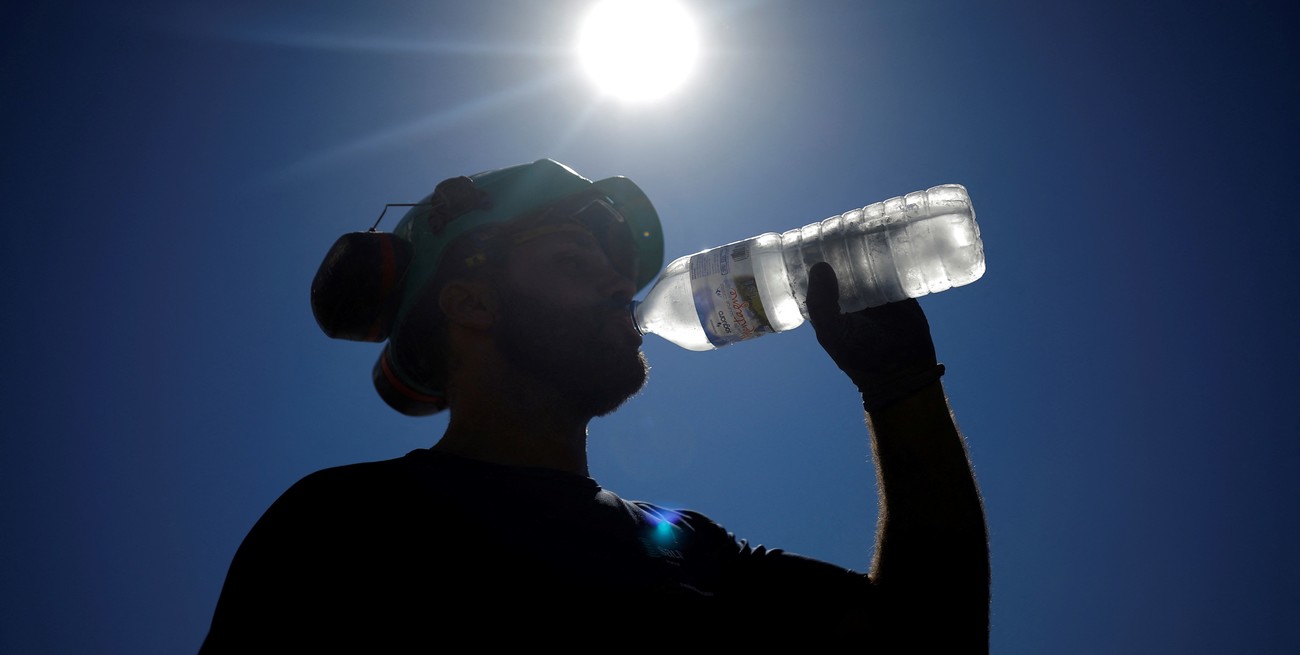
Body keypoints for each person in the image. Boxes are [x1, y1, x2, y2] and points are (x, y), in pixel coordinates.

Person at [199, 159, 989, 651]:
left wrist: (903, 391)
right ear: (471, 302)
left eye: (616, 267)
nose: (621, 285)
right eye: (576, 260)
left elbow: (929, 643)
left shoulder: (689, 550)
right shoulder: (343, 526)